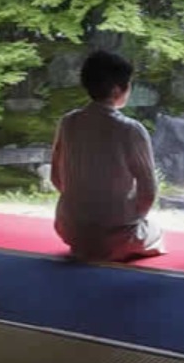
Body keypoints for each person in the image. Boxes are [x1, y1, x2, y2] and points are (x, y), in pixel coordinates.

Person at [50, 50, 165, 262]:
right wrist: (133, 216)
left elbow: (56, 177)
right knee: (156, 230)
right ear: (117, 89)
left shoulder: (68, 122)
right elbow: (148, 190)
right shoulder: (130, 129)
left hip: (70, 230)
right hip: (116, 236)